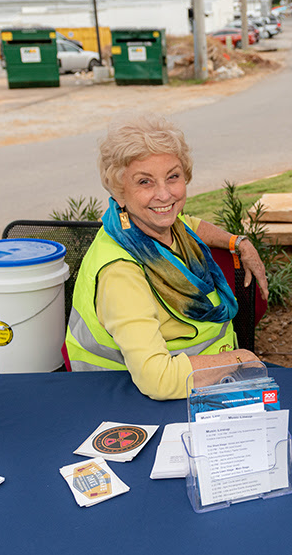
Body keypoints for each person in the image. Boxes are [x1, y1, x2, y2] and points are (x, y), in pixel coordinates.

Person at [65, 112, 269, 400]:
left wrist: (238, 243)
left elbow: (190, 224)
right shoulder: (120, 273)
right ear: (120, 192)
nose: (164, 195)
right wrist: (240, 359)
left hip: (205, 377)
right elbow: (157, 381)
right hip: (127, 400)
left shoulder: (159, 225)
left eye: (172, 177)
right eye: (145, 182)